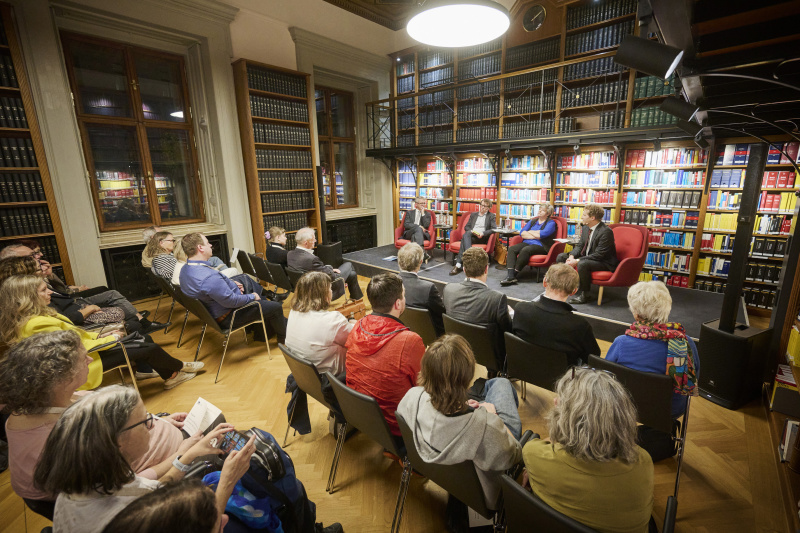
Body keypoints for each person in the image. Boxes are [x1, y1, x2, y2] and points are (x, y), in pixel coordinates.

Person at [0, 331, 195, 506]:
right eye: (83, 358)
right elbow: (119, 490)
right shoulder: (59, 436)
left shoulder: (53, 400)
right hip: (168, 469)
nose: (90, 360)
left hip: (167, 441)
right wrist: (181, 458)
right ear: (62, 376)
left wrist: (156, 420)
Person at [33, 385, 256, 533]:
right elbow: (210, 526)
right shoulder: (128, 514)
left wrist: (187, 454)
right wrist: (228, 480)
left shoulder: (89, 479)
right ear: (117, 441)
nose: (154, 423)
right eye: (145, 420)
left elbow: (149, 488)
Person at [0, 275, 200, 390]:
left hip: (88, 351)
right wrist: (111, 338)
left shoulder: (35, 316)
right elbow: (70, 348)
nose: (50, 292)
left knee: (142, 341)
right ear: (27, 297)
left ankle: (169, 373)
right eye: (44, 290)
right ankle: (180, 368)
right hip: (80, 363)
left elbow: (76, 335)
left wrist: (102, 336)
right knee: (147, 346)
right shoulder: (36, 323)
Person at [397, 334, 522, 511]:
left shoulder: (411, 398)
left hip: (441, 476)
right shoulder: (486, 427)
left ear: (425, 370)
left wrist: (461, 406)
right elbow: (513, 456)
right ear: (467, 377)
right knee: (501, 384)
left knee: (497, 385)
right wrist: (495, 418)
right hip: (484, 497)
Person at [522, 368, 654, 533]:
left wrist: (561, 425)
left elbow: (553, 443)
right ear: (623, 417)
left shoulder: (533, 454)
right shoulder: (643, 463)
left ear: (565, 416)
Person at [606, 281, 699, 459]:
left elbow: (606, 377)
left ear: (635, 312)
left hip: (626, 407)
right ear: (667, 308)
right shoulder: (686, 343)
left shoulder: (621, 342)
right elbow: (693, 381)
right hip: (669, 409)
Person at [0, 243, 169, 333]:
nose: (38, 256)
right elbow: (59, 304)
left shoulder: (38, 273)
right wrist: (86, 307)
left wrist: (50, 276)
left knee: (109, 291)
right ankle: (140, 323)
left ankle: (141, 321)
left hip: (73, 302)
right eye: (32, 255)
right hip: (74, 309)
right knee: (114, 302)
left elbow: (61, 290)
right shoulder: (24, 286)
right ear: (17, 262)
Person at [345, 272, 425, 440]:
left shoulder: (358, 325)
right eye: (403, 295)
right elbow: (424, 387)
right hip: (397, 426)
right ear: (397, 304)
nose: (405, 299)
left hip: (361, 414)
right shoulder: (409, 341)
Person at [179, 232, 286, 344]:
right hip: (230, 316)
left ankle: (262, 331)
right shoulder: (208, 277)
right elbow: (232, 301)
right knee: (275, 306)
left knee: (245, 280)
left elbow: (214, 286)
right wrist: (252, 297)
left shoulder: (186, 269)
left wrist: (231, 283)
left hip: (215, 311)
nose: (210, 245)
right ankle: (283, 337)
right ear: (200, 248)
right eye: (207, 243)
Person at [512, 263, 600, 366]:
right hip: (562, 378)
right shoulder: (579, 325)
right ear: (573, 291)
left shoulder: (521, 309)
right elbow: (594, 357)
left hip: (523, 368)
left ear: (544, 282)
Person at [443, 247, 512, 372]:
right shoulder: (497, 299)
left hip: (457, 347)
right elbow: (508, 329)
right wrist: (510, 313)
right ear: (486, 269)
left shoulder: (449, 289)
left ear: (464, 270)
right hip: (489, 355)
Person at [146, 231, 263, 297]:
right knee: (240, 276)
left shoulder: (167, 258)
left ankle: (262, 293)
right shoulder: (163, 259)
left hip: (190, 293)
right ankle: (261, 294)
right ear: (161, 243)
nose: (173, 242)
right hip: (190, 292)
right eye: (171, 240)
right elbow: (183, 274)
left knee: (240, 277)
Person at [286, 271, 354, 375]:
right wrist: (356, 323)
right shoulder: (333, 320)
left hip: (306, 375)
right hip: (334, 378)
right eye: (330, 289)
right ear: (323, 294)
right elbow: (355, 339)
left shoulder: (294, 311)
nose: (331, 292)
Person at [556, 203, 618, 304]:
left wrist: (577, 260)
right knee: (561, 256)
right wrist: (572, 256)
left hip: (603, 262)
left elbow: (599, 255)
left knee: (582, 263)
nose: (581, 217)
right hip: (588, 257)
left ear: (592, 218)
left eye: (584, 215)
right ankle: (563, 285)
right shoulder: (585, 228)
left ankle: (585, 294)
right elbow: (580, 245)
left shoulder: (606, 232)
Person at [287, 227, 363, 301]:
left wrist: (330, 268)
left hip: (305, 288)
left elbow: (313, 269)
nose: (315, 240)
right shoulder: (311, 259)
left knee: (352, 274)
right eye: (313, 239)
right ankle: (356, 299)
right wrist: (330, 269)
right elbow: (331, 277)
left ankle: (357, 299)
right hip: (321, 290)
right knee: (349, 264)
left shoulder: (290, 254)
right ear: (306, 242)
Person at [501, 203, 557, 286]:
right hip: (526, 242)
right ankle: (510, 275)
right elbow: (522, 233)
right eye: (540, 209)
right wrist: (536, 234)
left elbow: (543, 235)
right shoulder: (533, 221)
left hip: (541, 245)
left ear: (548, 213)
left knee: (525, 250)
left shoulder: (551, 223)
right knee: (512, 249)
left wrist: (530, 232)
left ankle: (513, 275)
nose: (540, 211)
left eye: (543, 210)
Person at [397, 242, 445, 336]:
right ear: (420, 262)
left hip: (401, 332)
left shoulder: (391, 283)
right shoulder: (428, 288)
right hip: (429, 336)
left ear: (399, 260)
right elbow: (443, 314)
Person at [450, 198, 497, 276]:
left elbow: (494, 229)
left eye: (485, 206)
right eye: (481, 205)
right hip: (472, 235)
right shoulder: (473, 215)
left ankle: (458, 264)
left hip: (482, 237)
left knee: (464, 239)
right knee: (467, 234)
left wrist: (483, 233)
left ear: (489, 208)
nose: (482, 207)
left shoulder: (491, 216)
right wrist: (472, 231)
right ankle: (468, 259)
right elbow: (466, 227)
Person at [403, 196, 432, 263]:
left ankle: (418, 255)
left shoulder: (427, 214)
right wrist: (418, 226)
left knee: (415, 234)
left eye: (424, 203)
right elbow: (406, 224)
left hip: (421, 234)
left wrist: (422, 214)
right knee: (418, 228)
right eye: (421, 203)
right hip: (409, 233)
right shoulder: (409, 213)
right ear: (416, 204)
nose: (423, 205)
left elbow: (426, 226)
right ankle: (423, 252)